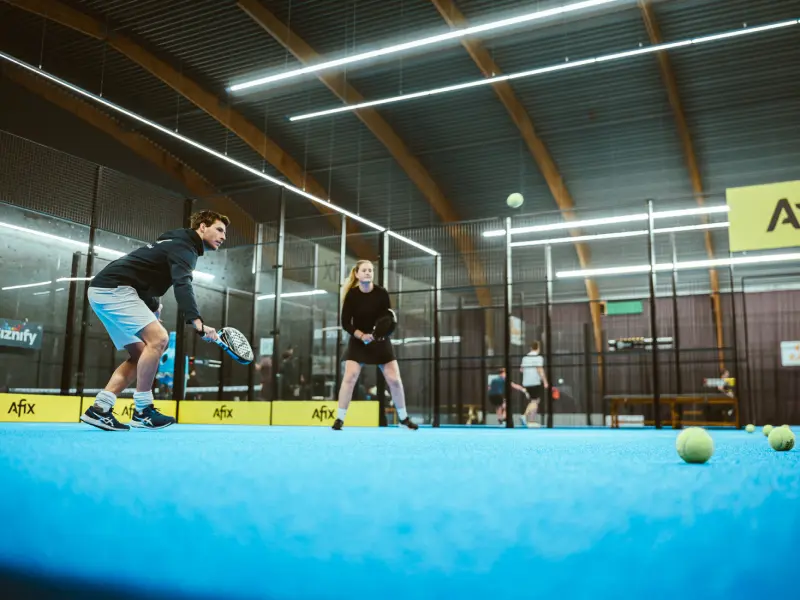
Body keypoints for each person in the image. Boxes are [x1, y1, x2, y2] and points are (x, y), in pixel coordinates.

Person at [79, 210, 227, 432]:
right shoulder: (185, 248)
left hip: (105, 289)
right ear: (202, 227)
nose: (223, 236)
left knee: (140, 354)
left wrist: (154, 306)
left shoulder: (175, 242)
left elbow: (143, 274)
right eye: (219, 229)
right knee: (158, 339)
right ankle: (143, 411)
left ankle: (100, 408)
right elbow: (183, 284)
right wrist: (197, 321)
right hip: (114, 289)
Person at [333, 260, 418, 430]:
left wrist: (377, 335)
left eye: (370, 270)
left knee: (394, 380)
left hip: (380, 341)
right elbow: (345, 323)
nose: (368, 273)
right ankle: (339, 419)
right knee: (349, 378)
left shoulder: (381, 293)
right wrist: (361, 336)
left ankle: (404, 418)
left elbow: (387, 318)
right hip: (358, 341)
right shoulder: (351, 295)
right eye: (364, 270)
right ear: (357, 274)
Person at [520, 341, 548, 426]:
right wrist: (545, 381)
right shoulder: (538, 357)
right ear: (538, 347)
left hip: (526, 382)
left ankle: (531, 421)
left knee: (534, 401)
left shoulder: (525, 357)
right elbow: (539, 369)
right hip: (535, 381)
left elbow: (521, 369)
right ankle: (524, 415)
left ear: (531, 348)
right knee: (535, 401)